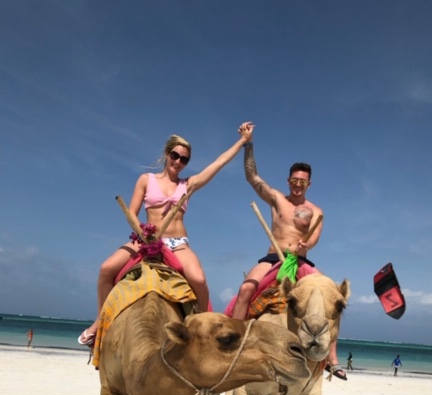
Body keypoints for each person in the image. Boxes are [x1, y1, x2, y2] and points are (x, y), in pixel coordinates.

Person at [79, 123, 254, 345]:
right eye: (175, 155)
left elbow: (218, 163)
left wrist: (242, 141)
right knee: (106, 269)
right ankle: (99, 321)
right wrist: (144, 233)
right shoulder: (146, 180)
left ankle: (202, 327)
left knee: (199, 280)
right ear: (167, 153)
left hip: (178, 243)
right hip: (146, 239)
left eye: (184, 159)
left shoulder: (187, 184)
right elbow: (131, 213)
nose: (178, 162)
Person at [230, 124, 347, 380]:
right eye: (294, 181)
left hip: (301, 260)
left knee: (333, 297)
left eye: (302, 182)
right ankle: (234, 343)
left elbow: (314, 235)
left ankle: (332, 358)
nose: (297, 185)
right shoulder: (276, 199)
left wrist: (307, 245)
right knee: (245, 290)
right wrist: (248, 145)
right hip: (274, 257)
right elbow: (252, 177)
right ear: (288, 181)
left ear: (309, 183)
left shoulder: (316, 210)